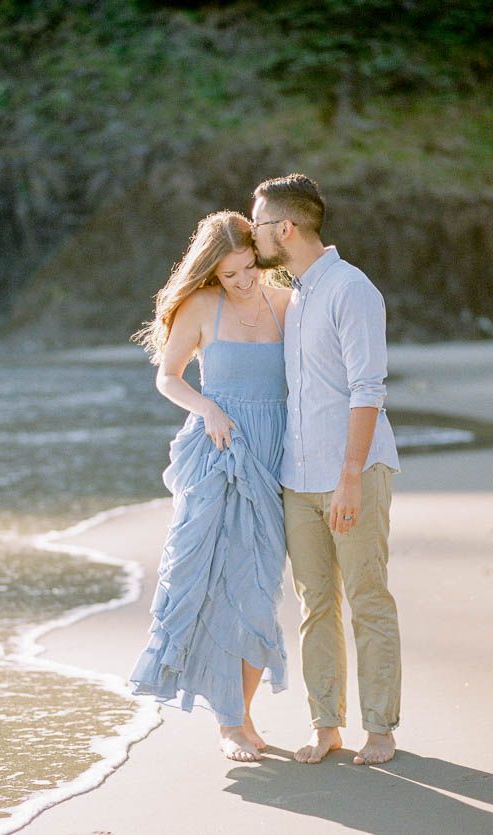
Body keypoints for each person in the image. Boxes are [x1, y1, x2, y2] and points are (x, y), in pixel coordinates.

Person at [130, 211, 292, 762]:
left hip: (273, 456)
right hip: (219, 452)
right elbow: (168, 377)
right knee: (211, 584)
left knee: (259, 586)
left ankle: (239, 713)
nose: (243, 281)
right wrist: (208, 409)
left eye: (249, 268)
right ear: (210, 275)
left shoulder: (286, 304)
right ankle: (231, 721)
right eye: (229, 275)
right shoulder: (201, 308)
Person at [251, 173, 401, 766]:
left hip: (353, 473)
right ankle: (326, 723)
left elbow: (368, 389)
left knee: (367, 598)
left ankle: (381, 728)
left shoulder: (350, 289)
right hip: (298, 477)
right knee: (315, 605)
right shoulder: (297, 293)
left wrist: (349, 475)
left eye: (259, 223)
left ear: (286, 227)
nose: (254, 232)